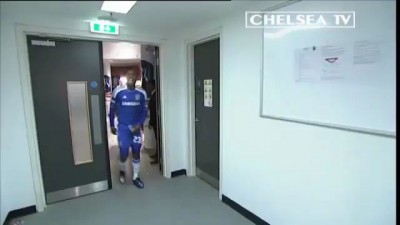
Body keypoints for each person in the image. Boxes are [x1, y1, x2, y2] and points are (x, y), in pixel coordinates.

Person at [109, 70, 147, 189]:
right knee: (124, 154)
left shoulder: (142, 93)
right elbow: (111, 110)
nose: (131, 76)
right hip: (123, 128)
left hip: (135, 129)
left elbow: (144, 111)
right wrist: (111, 125)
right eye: (129, 74)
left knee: (136, 152)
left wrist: (139, 124)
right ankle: (122, 171)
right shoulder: (118, 92)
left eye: (133, 74)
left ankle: (135, 177)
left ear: (137, 77)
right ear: (126, 77)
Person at [147, 80, 159, 164]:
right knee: (157, 139)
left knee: (158, 139)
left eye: (149, 85)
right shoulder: (153, 94)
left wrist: (151, 122)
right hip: (155, 120)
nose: (148, 87)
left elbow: (153, 111)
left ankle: (158, 157)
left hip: (156, 121)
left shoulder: (155, 95)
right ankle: (157, 155)